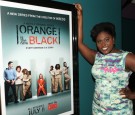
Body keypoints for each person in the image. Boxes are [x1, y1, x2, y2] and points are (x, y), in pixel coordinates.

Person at [75, 4, 135, 114]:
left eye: (107, 39)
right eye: (99, 41)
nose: (103, 44)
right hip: (98, 110)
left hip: (120, 111)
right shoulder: (96, 57)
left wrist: (133, 95)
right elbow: (79, 44)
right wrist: (80, 16)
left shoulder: (126, 58)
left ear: (113, 39)